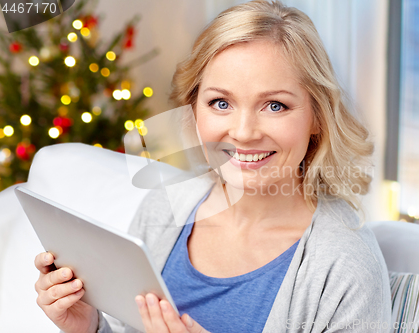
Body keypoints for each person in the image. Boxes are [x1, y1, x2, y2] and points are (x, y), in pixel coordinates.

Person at [33, 1, 392, 332]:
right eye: (221, 103)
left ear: (318, 116)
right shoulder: (165, 207)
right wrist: (90, 326)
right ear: (193, 110)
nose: (243, 132)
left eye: (275, 106)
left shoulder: (346, 265)